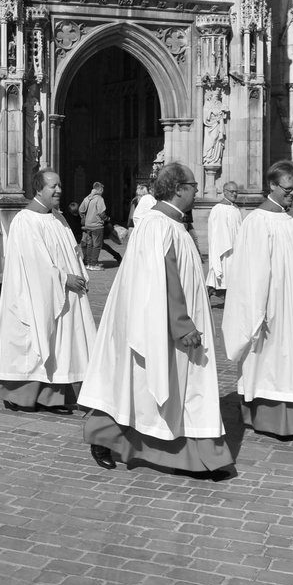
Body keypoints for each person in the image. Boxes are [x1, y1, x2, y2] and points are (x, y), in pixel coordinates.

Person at [80, 162, 233, 476]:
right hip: (162, 326)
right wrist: (181, 324)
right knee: (140, 386)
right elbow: (161, 278)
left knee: (170, 389)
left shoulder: (172, 224)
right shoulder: (158, 225)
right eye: (193, 185)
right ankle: (106, 437)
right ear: (179, 189)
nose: (197, 191)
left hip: (170, 325)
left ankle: (199, 455)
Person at [222, 160, 293, 439]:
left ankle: (291, 418)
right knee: (269, 362)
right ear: (272, 185)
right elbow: (250, 274)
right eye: (288, 188)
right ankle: (262, 416)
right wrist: (258, 312)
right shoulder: (257, 222)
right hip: (271, 309)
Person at [0, 171, 96, 412]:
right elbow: (35, 263)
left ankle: (53, 395)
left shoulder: (58, 218)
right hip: (37, 295)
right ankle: (20, 394)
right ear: (38, 189)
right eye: (53, 186)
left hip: (65, 294)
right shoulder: (25, 221)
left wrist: (79, 276)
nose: (59, 191)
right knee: (35, 341)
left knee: (61, 344)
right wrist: (64, 279)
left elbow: (72, 252)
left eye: (60, 185)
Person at [205, 181, 243, 296]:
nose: (234, 194)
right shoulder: (219, 209)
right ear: (224, 192)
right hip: (225, 247)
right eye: (232, 191)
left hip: (235, 246)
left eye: (236, 191)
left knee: (231, 275)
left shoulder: (235, 208)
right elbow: (218, 231)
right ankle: (209, 293)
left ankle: (227, 297)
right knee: (222, 273)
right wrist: (226, 245)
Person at [78, 182, 108, 270]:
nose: (103, 192)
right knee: (97, 245)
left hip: (88, 226)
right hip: (97, 225)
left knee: (89, 244)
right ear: (100, 190)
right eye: (102, 190)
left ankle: (89, 263)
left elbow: (80, 210)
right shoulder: (99, 199)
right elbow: (101, 213)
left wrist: (85, 218)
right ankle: (94, 264)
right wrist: (107, 219)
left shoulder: (87, 198)